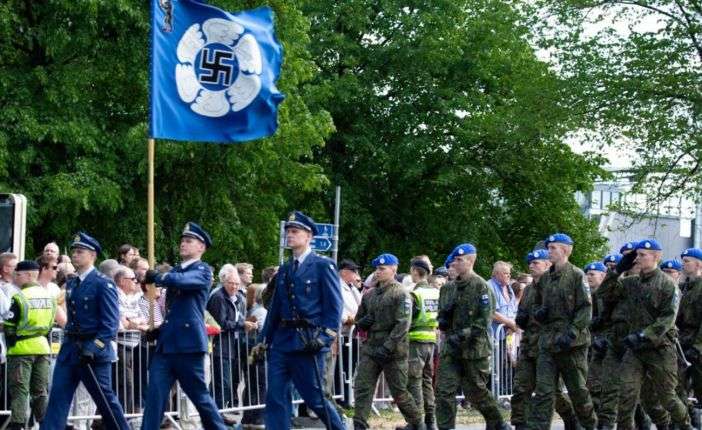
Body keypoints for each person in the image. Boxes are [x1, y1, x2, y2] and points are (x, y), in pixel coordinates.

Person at [256, 211, 345, 430]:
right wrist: (263, 340)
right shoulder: (285, 269)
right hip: (282, 342)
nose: (290, 235)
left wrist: (324, 338)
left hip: (308, 341)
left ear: (309, 236)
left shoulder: (323, 265)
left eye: (295, 231)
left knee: (315, 398)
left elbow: (334, 307)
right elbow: (276, 308)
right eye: (288, 231)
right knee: (275, 396)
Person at [140, 222, 227, 430]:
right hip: (167, 346)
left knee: (200, 398)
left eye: (189, 241)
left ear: (201, 247)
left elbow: (185, 282)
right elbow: (175, 311)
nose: (183, 244)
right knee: (154, 397)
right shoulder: (177, 271)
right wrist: (159, 330)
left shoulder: (203, 270)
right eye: (182, 240)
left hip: (189, 346)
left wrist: (160, 277)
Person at [599, 239, 692, 430]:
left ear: (656, 257)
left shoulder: (667, 284)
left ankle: (685, 426)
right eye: (637, 255)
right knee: (627, 394)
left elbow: (667, 319)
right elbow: (604, 293)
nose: (638, 259)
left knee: (667, 397)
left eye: (642, 255)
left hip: (660, 349)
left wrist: (643, 335)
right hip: (635, 350)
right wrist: (617, 270)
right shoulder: (631, 283)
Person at [41, 232, 129, 430]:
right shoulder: (72, 283)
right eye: (74, 251)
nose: (75, 254)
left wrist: (94, 348)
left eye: (80, 251)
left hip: (93, 352)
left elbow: (110, 325)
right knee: (57, 399)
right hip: (70, 349)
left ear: (93, 255)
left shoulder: (103, 283)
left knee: (105, 400)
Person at [528, 233, 597, 430]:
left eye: (553, 248)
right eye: (548, 248)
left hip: (572, 344)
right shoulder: (545, 279)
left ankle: (589, 425)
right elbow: (537, 303)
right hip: (548, 342)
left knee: (578, 391)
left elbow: (585, 308)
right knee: (543, 391)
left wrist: (573, 331)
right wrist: (539, 313)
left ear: (565, 250)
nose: (549, 251)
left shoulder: (577, 275)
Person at [435, 243, 507, 430]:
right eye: (455, 260)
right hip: (451, 348)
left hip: (474, 349)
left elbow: (483, 321)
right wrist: (442, 320)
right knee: (443, 390)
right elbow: (442, 313)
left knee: (476, 391)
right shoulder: (448, 288)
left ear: (470, 261)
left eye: (459, 260)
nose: (455, 263)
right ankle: (446, 427)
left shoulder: (481, 287)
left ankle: (497, 423)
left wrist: (462, 335)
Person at [353, 253, 424, 430]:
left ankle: (417, 422)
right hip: (371, 347)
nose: (378, 272)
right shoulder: (369, 294)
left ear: (394, 270)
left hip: (394, 350)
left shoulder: (401, 293)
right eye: (377, 269)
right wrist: (363, 322)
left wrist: (387, 347)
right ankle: (359, 423)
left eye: (382, 269)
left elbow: (403, 324)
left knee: (399, 391)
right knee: (363, 387)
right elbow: (358, 319)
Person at [511, 249, 577, 430]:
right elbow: (521, 315)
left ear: (548, 264)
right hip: (529, 345)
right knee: (521, 387)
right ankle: (520, 424)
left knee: (548, 391)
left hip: (548, 346)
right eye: (530, 263)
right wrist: (521, 318)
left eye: (536, 263)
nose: (531, 266)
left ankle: (570, 417)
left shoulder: (555, 287)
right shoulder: (528, 290)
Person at [4, 260, 56, 430]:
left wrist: (11, 341)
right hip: (42, 348)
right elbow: (50, 324)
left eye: (18, 274)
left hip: (21, 350)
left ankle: (18, 424)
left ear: (28, 275)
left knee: (20, 390)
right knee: (40, 391)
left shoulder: (19, 297)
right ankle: (45, 424)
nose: (15, 277)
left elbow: (9, 326)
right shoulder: (49, 297)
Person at [206, 264, 252, 424]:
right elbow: (221, 323)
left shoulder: (237, 297)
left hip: (233, 345)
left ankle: (216, 413)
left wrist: (245, 323)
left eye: (237, 284)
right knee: (222, 382)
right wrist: (242, 325)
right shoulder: (218, 297)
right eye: (231, 283)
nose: (234, 287)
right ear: (224, 282)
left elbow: (237, 318)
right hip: (220, 346)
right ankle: (214, 415)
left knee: (225, 382)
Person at [406, 256, 439, 430]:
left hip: (415, 340)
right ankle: (430, 421)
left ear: (415, 271)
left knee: (414, 381)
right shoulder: (436, 292)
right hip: (431, 339)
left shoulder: (415, 294)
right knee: (427, 381)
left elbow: (407, 319)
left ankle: (416, 422)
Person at [584, 261, 617, 428]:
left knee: (610, 386)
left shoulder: (608, 295)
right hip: (593, 344)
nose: (588, 277)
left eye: (592, 274)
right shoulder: (588, 294)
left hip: (609, 345)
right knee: (593, 384)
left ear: (603, 276)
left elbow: (612, 321)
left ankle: (607, 421)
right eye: (587, 274)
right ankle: (599, 420)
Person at [676, 248, 702, 425]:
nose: (684, 265)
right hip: (682, 343)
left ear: (698, 264)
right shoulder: (686, 287)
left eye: (687, 261)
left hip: (696, 345)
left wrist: (698, 347)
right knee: (678, 386)